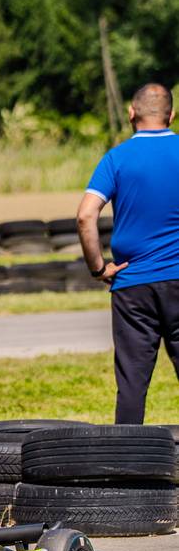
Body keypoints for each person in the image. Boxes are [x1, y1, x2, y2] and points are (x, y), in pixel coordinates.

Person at [77, 82, 179, 424]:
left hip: (132, 284)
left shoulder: (116, 158)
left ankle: (126, 465)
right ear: (172, 114)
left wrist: (98, 268)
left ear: (131, 113)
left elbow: (85, 215)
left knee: (132, 385)